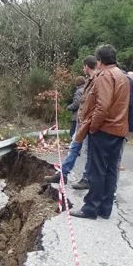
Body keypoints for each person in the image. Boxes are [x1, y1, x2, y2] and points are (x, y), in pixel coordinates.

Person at [70, 44, 130, 220]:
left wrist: (93, 127)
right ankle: (105, 209)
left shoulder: (104, 76)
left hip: (104, 129)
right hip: (119, 130)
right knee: (111, 171)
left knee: (97, 171)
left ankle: (90, 208)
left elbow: (102, 106)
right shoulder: (122, 76)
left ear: (99, 60)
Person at [44, 56, 97, 184]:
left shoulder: (98, 80)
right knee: (74, 147)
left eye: (83, 66)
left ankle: (86, 179)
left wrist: (93, 123)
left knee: (88, 152)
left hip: (89, 123)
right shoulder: (89, 81)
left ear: (87, 66)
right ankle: (63, 174)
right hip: (82, 122)